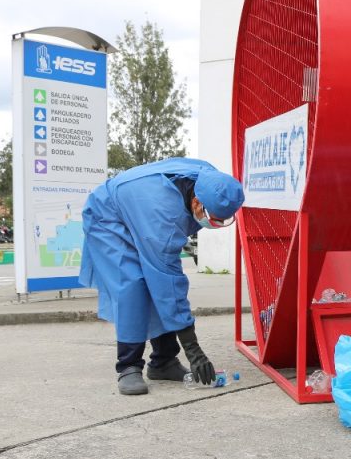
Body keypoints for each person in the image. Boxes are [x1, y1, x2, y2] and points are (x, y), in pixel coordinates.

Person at [79, 158, 245, 396]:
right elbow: (168, 284)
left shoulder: (212, 182)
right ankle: (128, 366)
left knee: (157, 284)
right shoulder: (163, 216)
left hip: (139, 209)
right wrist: (193, 350)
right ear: (196, 201)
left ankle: (163, 362)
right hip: (107, 215)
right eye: (213, 218)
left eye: (224, 220)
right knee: (134, 285)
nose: (216, 224)